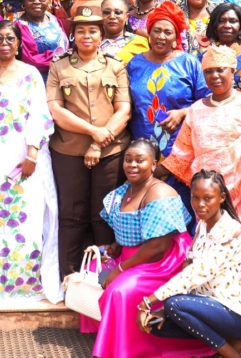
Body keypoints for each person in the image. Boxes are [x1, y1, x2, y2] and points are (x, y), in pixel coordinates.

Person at [0, 19, 62, 305]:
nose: (4, 44)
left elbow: (40, 115)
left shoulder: (30, 74)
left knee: (25, 221)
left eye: (10, 38)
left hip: (22, 159)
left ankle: (24, 285)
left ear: (19, 43)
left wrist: (31, 153)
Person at [85, 140, 210, 358]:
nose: (132, 165)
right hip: (133, 256)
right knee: (95, 267)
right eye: (128, 159)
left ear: (153, 165)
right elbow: (125, 227)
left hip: (162, 263)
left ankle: (129, 348)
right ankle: (111, 335)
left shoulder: (160, 194)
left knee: (120, 290)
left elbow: (157, 247)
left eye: (140, 160)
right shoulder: (126, 189)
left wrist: (119, 269)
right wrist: (114, 248)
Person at [141, 171, 241, 358]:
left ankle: (230, 354)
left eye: (207, 198)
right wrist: (163, 311)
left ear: (221, 198)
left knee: (175, 304)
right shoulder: (203, 226)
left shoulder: (232, 231)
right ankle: (236, 346)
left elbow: (196, 273)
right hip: (217, 307)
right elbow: (189, 270)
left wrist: (149, 301)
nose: (200, 204)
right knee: (156, 324)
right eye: (195, 198)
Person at [163, 45, 241, 259]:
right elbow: (182, 154)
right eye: (208, 71)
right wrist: (146, 178)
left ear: (233, 72)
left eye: (220, 70)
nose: (214, 76)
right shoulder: (196, 109)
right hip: (207, 197)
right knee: (210, 253)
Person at [46, 6, 132, 277]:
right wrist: (92, 133)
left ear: (101, 34)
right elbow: (56, 110)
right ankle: (69, 276)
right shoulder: (58, 67)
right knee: (72, 215)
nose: (86, 35)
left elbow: (124, 110)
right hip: (68, 151)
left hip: (110, 151)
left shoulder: (115, 66)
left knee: (103, 214)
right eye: (80, 30)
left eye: (92, 30)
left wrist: (99, 143)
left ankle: (102, 277)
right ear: (73, 35)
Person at [126, 1, 209, 156]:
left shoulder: (188, 63)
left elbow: (208, 101)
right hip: (141, 147)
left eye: (168, 32)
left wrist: (183, 113)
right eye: (156, 31)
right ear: (149, 33)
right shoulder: (135, 64)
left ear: (176, 37)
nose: (161, 36)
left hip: (180, 147)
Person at [2, 0, 68, 76]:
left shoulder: (55, 20)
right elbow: (30, 60)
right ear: (23, 1)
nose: (36, 2)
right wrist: (63, 57)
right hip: (37, 80)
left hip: (63, 76)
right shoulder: (19, 27)